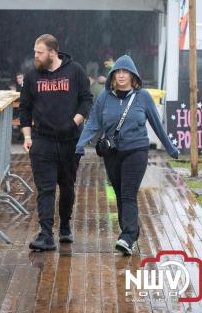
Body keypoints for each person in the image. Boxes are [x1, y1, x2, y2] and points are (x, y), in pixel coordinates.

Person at [75, 55, 179, 255]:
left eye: (125, 72)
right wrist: (80, 145)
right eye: (118, 72)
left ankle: (128, 236)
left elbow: (157, 125)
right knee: (121, 194)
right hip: (112, 154)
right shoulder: (104, 98)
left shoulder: (143, 97)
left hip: (136, 151)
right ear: (113, 76)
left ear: (133, 76)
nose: (121, 75)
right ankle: (130, 234)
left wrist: (170, 147)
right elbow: (93, 124)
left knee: (128, 193)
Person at [19, 34, 93, 251]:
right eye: (35, 52)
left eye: (39, 52)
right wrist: (27, 136)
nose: (36, 56)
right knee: (45, 188)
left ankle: (65, 226)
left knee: (67, 186)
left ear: (53, 52)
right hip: (42, 141)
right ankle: (45, 234)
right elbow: (24, 108)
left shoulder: (75, 71)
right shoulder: (32, 76)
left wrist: (74, 122)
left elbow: (86, 99)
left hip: (70, 141)